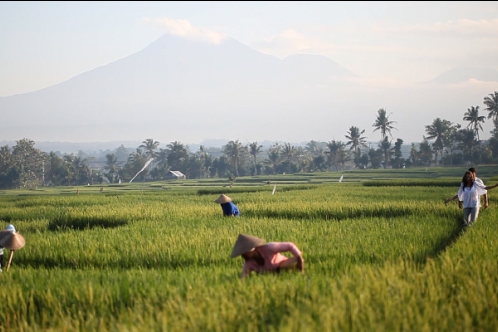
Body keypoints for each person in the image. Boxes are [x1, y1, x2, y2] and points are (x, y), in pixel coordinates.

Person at [230, 233, 304, 279]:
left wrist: (300, 260)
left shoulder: (269, 248)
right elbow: (243, 277)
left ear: (251, 250)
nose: (243, 256)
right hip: (268, 274)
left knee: (288, 263)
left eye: (244, 253)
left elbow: (290, 245)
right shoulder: (248, 264)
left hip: (283, 265)